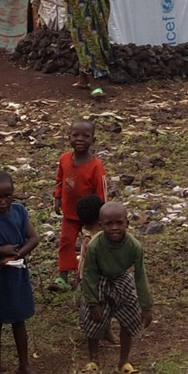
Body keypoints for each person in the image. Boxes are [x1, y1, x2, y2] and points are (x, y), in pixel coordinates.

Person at [0, 171, 39, 374]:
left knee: (19, 320)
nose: (4, 201)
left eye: (8, 196)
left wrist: (17, 254)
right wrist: (0, 251)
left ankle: (24, 364)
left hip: (17, 273)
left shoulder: (19, 212)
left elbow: (34, 238)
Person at [79, 199, 150, 374]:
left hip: (121, 278)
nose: (114, 228)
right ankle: (93, 362)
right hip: (99, 280)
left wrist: (146, 306)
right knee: (93, 322)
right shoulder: (94, 245)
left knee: (129, 317)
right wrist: (93, 303)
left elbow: (140, 275)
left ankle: (123, 363)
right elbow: (88, 275)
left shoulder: (134, 246)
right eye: (109, 224)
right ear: (101, 225)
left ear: (127, 223)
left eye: (119, 223)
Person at [53, 121, 108, 291]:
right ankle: (63, 276)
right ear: (68, 137)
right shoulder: (64, 159)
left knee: (90, 246)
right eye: (75, 135)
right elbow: (60, 181)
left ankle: (86, 277)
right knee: (66, 242)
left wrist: (100, 216)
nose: (80, 139)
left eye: (86, 136)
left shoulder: (96, 166)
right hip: (70, 212)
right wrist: (57, 198)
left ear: (93, 139)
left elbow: (102, 193)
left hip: (91, 216)